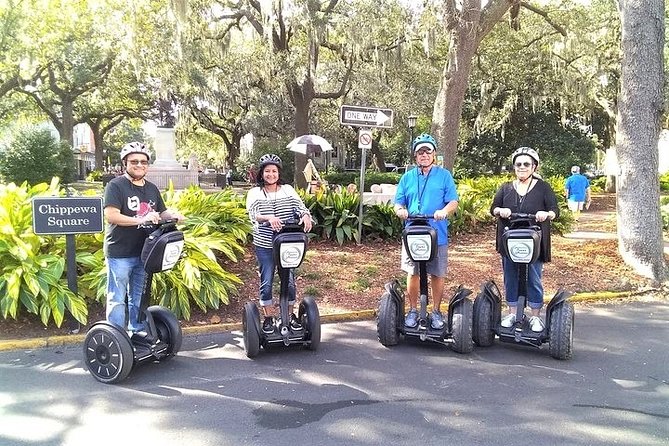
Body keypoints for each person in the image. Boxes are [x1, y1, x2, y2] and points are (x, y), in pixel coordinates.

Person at [104, 141, 185, 334]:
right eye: (134, 161)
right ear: (125, 163)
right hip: (120, 252)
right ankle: (117, 338)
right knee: (117, 298)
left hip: (145, 252)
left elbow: (161, 212)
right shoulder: (116, 186)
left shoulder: (152, 188)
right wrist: (140, 219)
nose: (139, 165)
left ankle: (137, 331)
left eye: (143, 161)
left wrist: (173, 215)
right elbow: (111, 215)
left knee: (139, 297)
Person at [393, 134, 459, 329]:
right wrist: (400, 210)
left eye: (427, 151)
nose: (424, 155)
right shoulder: (407, 177)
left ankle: (436, 311)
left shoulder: (444, 175)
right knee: (413, 273)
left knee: (437, 273)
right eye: (420, 152)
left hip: (437, 233)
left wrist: (444, 211)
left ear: (434, 154)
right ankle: (413, 310)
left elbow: (453, 201)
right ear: (415, 155)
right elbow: (398, 202)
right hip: (413, 233)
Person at [490, 147, 559, 332]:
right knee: (510, 276)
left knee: (534, 277)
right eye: (518, 164)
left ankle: (535, 316)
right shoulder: (505, 187)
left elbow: (554, 209)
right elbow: (493, 208)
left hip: (534, 241)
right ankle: (513, 313)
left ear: (534, 167)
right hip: (510, 240)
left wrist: (547, 214)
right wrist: (500, 211)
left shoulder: (543, 187)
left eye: (526, 164)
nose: (522, 167)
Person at [246, 154, 313, 333]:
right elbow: (254, 214)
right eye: (267, 171)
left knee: (289, 282)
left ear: (279, 173)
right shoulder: (255, 193)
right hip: (265, 244)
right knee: (267, 281)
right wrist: (269, 217)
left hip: (287, 243)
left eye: (274, 171)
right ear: (262, 174)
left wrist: (305, 215)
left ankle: (288, 316)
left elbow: (300, 207)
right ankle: (268, 318)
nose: (271, 174)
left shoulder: (288, 190)